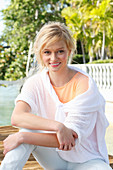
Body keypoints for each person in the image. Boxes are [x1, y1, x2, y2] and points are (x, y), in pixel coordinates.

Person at [0, 22, 112, 170]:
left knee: (23, 136)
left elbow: (71, 139)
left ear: (69, 50)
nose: (54, 58)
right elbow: (17, 117)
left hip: (87, 161)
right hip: (54, 158)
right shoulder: (35, 82)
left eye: (60, 51)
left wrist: (22, 137)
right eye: (47, 52)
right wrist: (58, 127)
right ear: (40, 53)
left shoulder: (85, 85)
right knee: (27, 131)